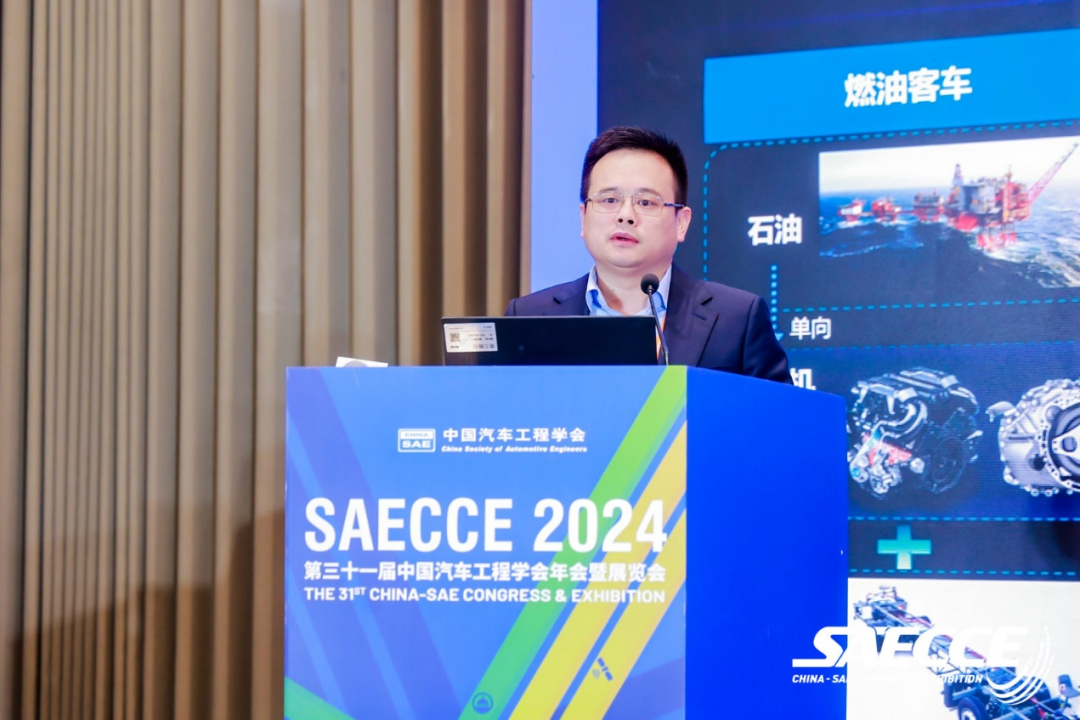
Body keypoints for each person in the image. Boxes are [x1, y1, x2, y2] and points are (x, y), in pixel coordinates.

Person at [506, 126, 791, 383]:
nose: (625, 215)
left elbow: (781, 419)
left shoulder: (738, 318)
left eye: (645, 202)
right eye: (609, 199)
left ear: (681, 223)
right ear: (583, 217)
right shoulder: (528, 317)